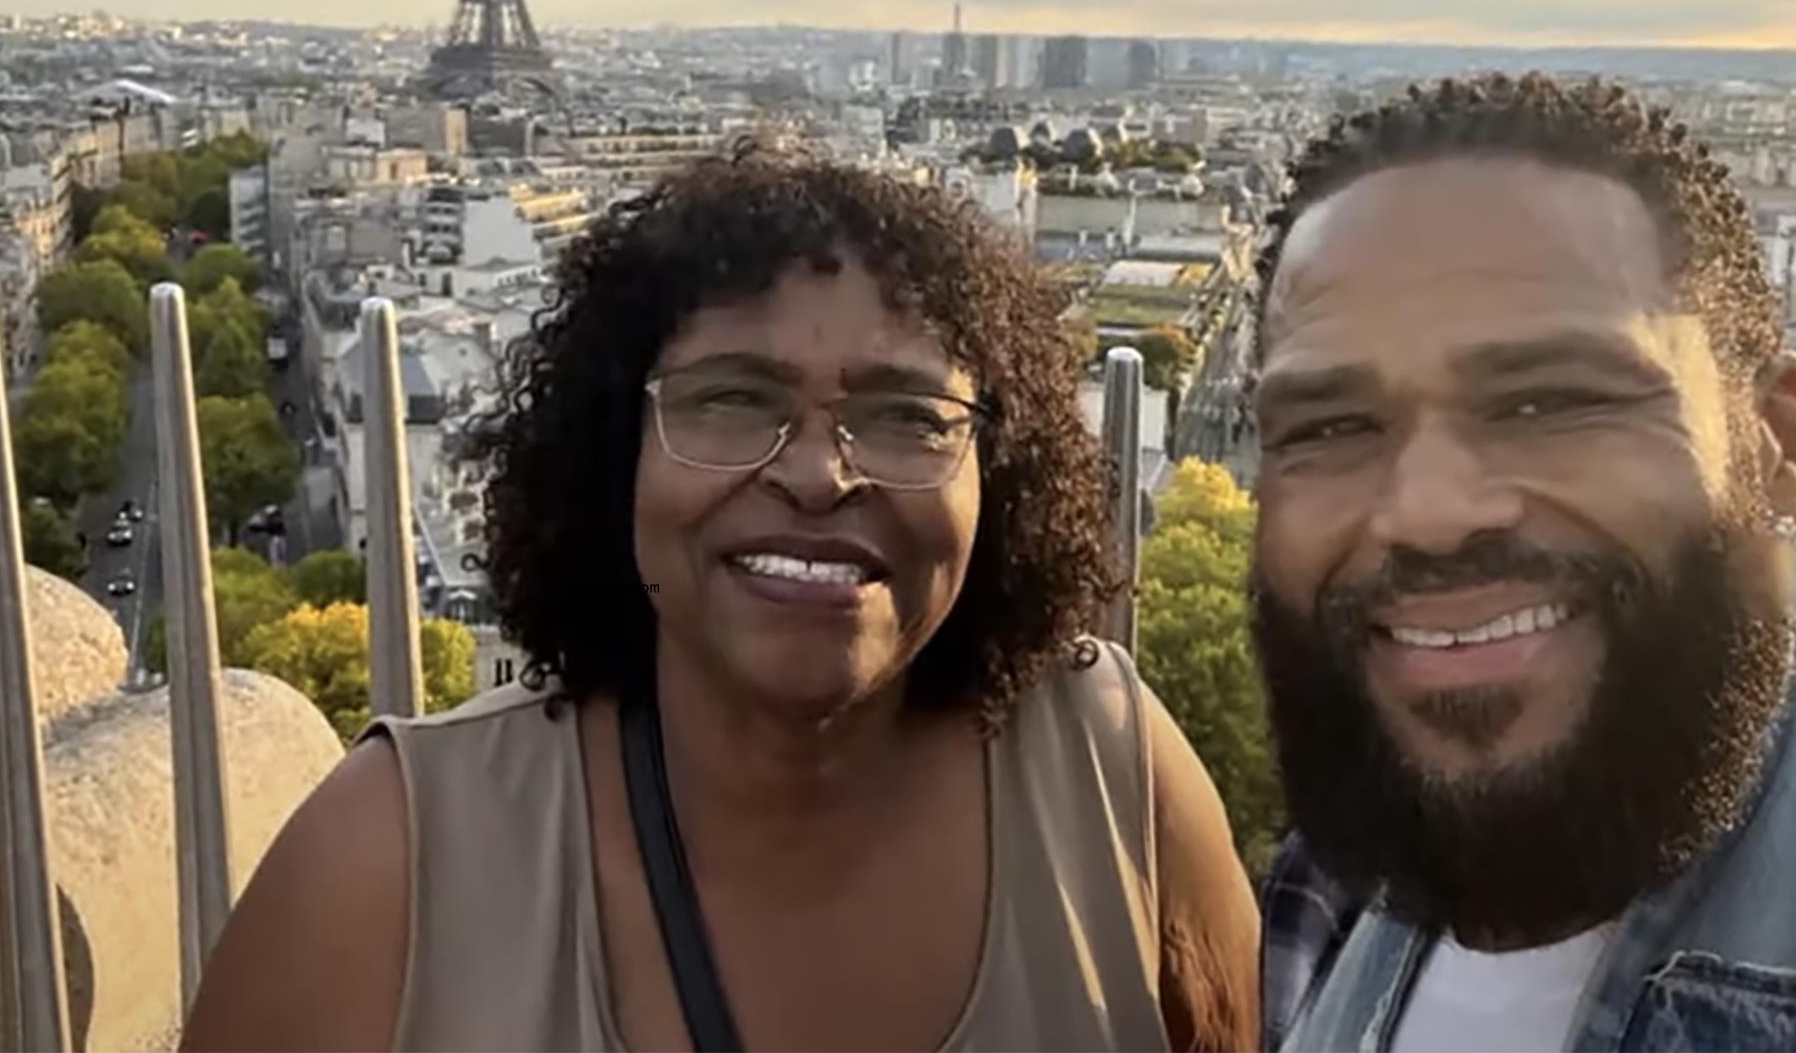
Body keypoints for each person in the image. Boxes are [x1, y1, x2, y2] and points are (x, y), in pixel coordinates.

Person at [182, 147, 1260, 1052]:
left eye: (908, 416)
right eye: (733, 401)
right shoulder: (383, 863)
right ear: (619, 454)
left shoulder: (1115, 767)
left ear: (1002, 474)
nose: (819, 472)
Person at [1248, 75, 1796, 1052]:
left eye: (1551, 403)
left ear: (1779, 447)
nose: (1431, 513)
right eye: (1333, 425)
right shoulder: (1327, 887)